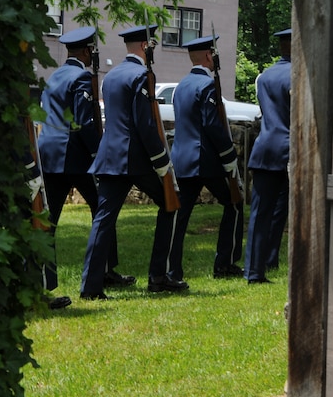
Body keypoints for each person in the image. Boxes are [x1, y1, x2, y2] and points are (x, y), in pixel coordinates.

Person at [80, 24, 188, 299]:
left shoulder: (111, 76)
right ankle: (158, 275)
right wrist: (162, 161)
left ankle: (90, 287)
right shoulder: (142, 75)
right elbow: (145, 124)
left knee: (103, 220)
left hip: (111, 157)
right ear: (145, 46)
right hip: (135, 159)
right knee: (170, 202)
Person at [37, 25, 135, 307]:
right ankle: (105, 271)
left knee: (49, 221)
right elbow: (84, 122)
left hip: (51, 155)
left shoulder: (55, 75)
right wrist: (98, 152)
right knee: (103, 211)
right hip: (76, 156)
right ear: (87, 51)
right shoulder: (81, 76)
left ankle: (46, 281)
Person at [168, 35, 244, 281]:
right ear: (209, 56)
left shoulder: (181, 86)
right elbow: (213, 126)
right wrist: (229, 157)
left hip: (182, 161)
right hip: (206, 162)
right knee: (233, 203)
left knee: (180, 218)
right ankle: (225, 263)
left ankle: (173, 270)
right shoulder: (207, 86)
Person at [244, 28, 292, 284]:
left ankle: (257, 266)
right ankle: (265, 263)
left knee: (261, 212)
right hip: (287, 149)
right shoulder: (297, 76)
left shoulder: (264, 76)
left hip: (264, 148)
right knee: (281, 211)